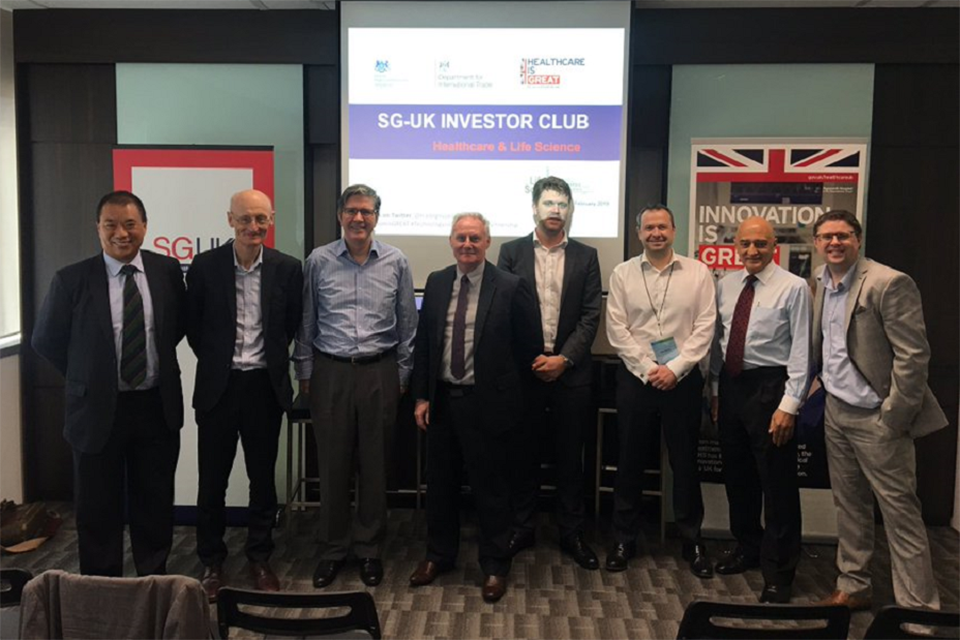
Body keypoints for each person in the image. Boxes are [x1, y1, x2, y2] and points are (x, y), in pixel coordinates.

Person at [32, 190, 185, 577]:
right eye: (111, 225)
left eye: (130, 224)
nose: (121, 233)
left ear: (145, 227)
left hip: (155, 406)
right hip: (96, 410)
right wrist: (86, 376)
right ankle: (101, 587)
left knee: (155, 502)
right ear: (97, 228)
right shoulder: (72, 279)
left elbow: (177, 327)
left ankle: (153, 580)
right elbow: (46, 339)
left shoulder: (167, 271)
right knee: (97, 508)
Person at [812, 209, 946, 611]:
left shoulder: (888, 283)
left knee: (899, 512)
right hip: (837, 412)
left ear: (858, 239)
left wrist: (894, 417)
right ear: (816, 243)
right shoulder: (821, 281)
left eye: (843, 235)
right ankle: (854, 586)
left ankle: (919, 610)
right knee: (850, 506)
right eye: (826, 236)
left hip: (878, 418)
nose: (834, 242)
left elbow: (913, 355)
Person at [408, 213, 540, 603]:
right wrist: (422, 396)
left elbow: (529, 349)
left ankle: (495, 565)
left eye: (475, 238)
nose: (467, 244)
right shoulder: (436, 282)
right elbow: (425, 344)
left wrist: (511, 401)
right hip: (443, 402)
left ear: (487, 243)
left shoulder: (511, 286)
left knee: (491, 489)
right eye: (461, 237)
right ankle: (439, 555)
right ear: (451, 241)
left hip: (489, 405)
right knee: (440, 486)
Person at [294, 184, 417, 589]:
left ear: (376, 217)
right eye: (351, 210)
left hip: (380, 371)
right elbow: (307, 320)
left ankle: (368, 549)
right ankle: (333, 549)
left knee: (375, 465)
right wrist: (305, 372)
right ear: (340, 215)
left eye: (366, 211)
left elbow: (407, 325)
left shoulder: (396, 261)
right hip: (330, 372)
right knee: (332, 465)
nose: (358, 218)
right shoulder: (318, 260)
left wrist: (401, 376)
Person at [185, 189, 303, 600]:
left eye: (261, 219)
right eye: (245, 219)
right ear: (230, 220)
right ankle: (212, 561)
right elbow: (194, 327)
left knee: (262, 479)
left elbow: (290, 325)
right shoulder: (205, 266)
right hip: (219, 388)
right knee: (212, 480)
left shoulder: (288, 268)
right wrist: (220, 362)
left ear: (271, 219)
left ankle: (259, 557)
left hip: (264, 388)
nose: (254, 227)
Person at [604, 205, 715, 577]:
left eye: (662, 227)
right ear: (638, 233)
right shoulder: (622, 273)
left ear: (674, 230)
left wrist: (675, 368)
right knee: (630, 460)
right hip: (637, 379)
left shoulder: (698, 272)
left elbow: (705, 326)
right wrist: (649, 368)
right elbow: (617, 329)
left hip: (683, 381)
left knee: (685, 462)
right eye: (649, 227)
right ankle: (624, 539)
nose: (656, 233)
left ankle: (692, 540)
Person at [497, 176, 601, 569]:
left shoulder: (587, 256)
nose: (555, 210)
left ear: (569, 210)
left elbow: (590, 316)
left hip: (570, 375)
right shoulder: (511, 252)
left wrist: (563, 359)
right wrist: (534, 359)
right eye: (548, 203)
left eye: (562, 204)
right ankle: (522, 528)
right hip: (525, 373)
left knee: (569, 458)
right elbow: (502, 310)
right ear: (534, 208)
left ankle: (571, 532)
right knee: (521, 455)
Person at [710, 217, 811, 603]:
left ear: (774, 246)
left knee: (777, 483)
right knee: (738, 476)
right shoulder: (726, 284)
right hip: (732, 386)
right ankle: (747, 546)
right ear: (736, 245)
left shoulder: (793, 287)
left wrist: (789, 405)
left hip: (772, 389)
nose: (752, 250)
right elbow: (720, 342)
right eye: (746, 243)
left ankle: (780, 572)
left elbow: (802, 351)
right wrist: (716, 391)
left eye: (761, 244)